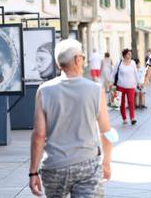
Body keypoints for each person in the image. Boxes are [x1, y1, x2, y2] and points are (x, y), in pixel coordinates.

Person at [29, 39, 113, 197]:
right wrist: (106, 162)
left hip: (54, 166)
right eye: (82, 56)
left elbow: (39, 135)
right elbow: (105, 131)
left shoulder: (44, 90)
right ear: (77, 59)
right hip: (87, 166)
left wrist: (33, 172)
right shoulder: (95, 90)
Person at [111, 49, 139, 125]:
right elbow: (113, 73)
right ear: (124, 55)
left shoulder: (133, 63)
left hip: (131, 86)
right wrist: (111, 82)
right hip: (120, 86)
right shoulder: (119, 63)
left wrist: (139, 83)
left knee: (131, 102)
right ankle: (124, 118)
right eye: (128, 54)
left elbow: (136, 73)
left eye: (130, 54)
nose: (130, 56)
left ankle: (132, 118)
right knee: (122, 103)